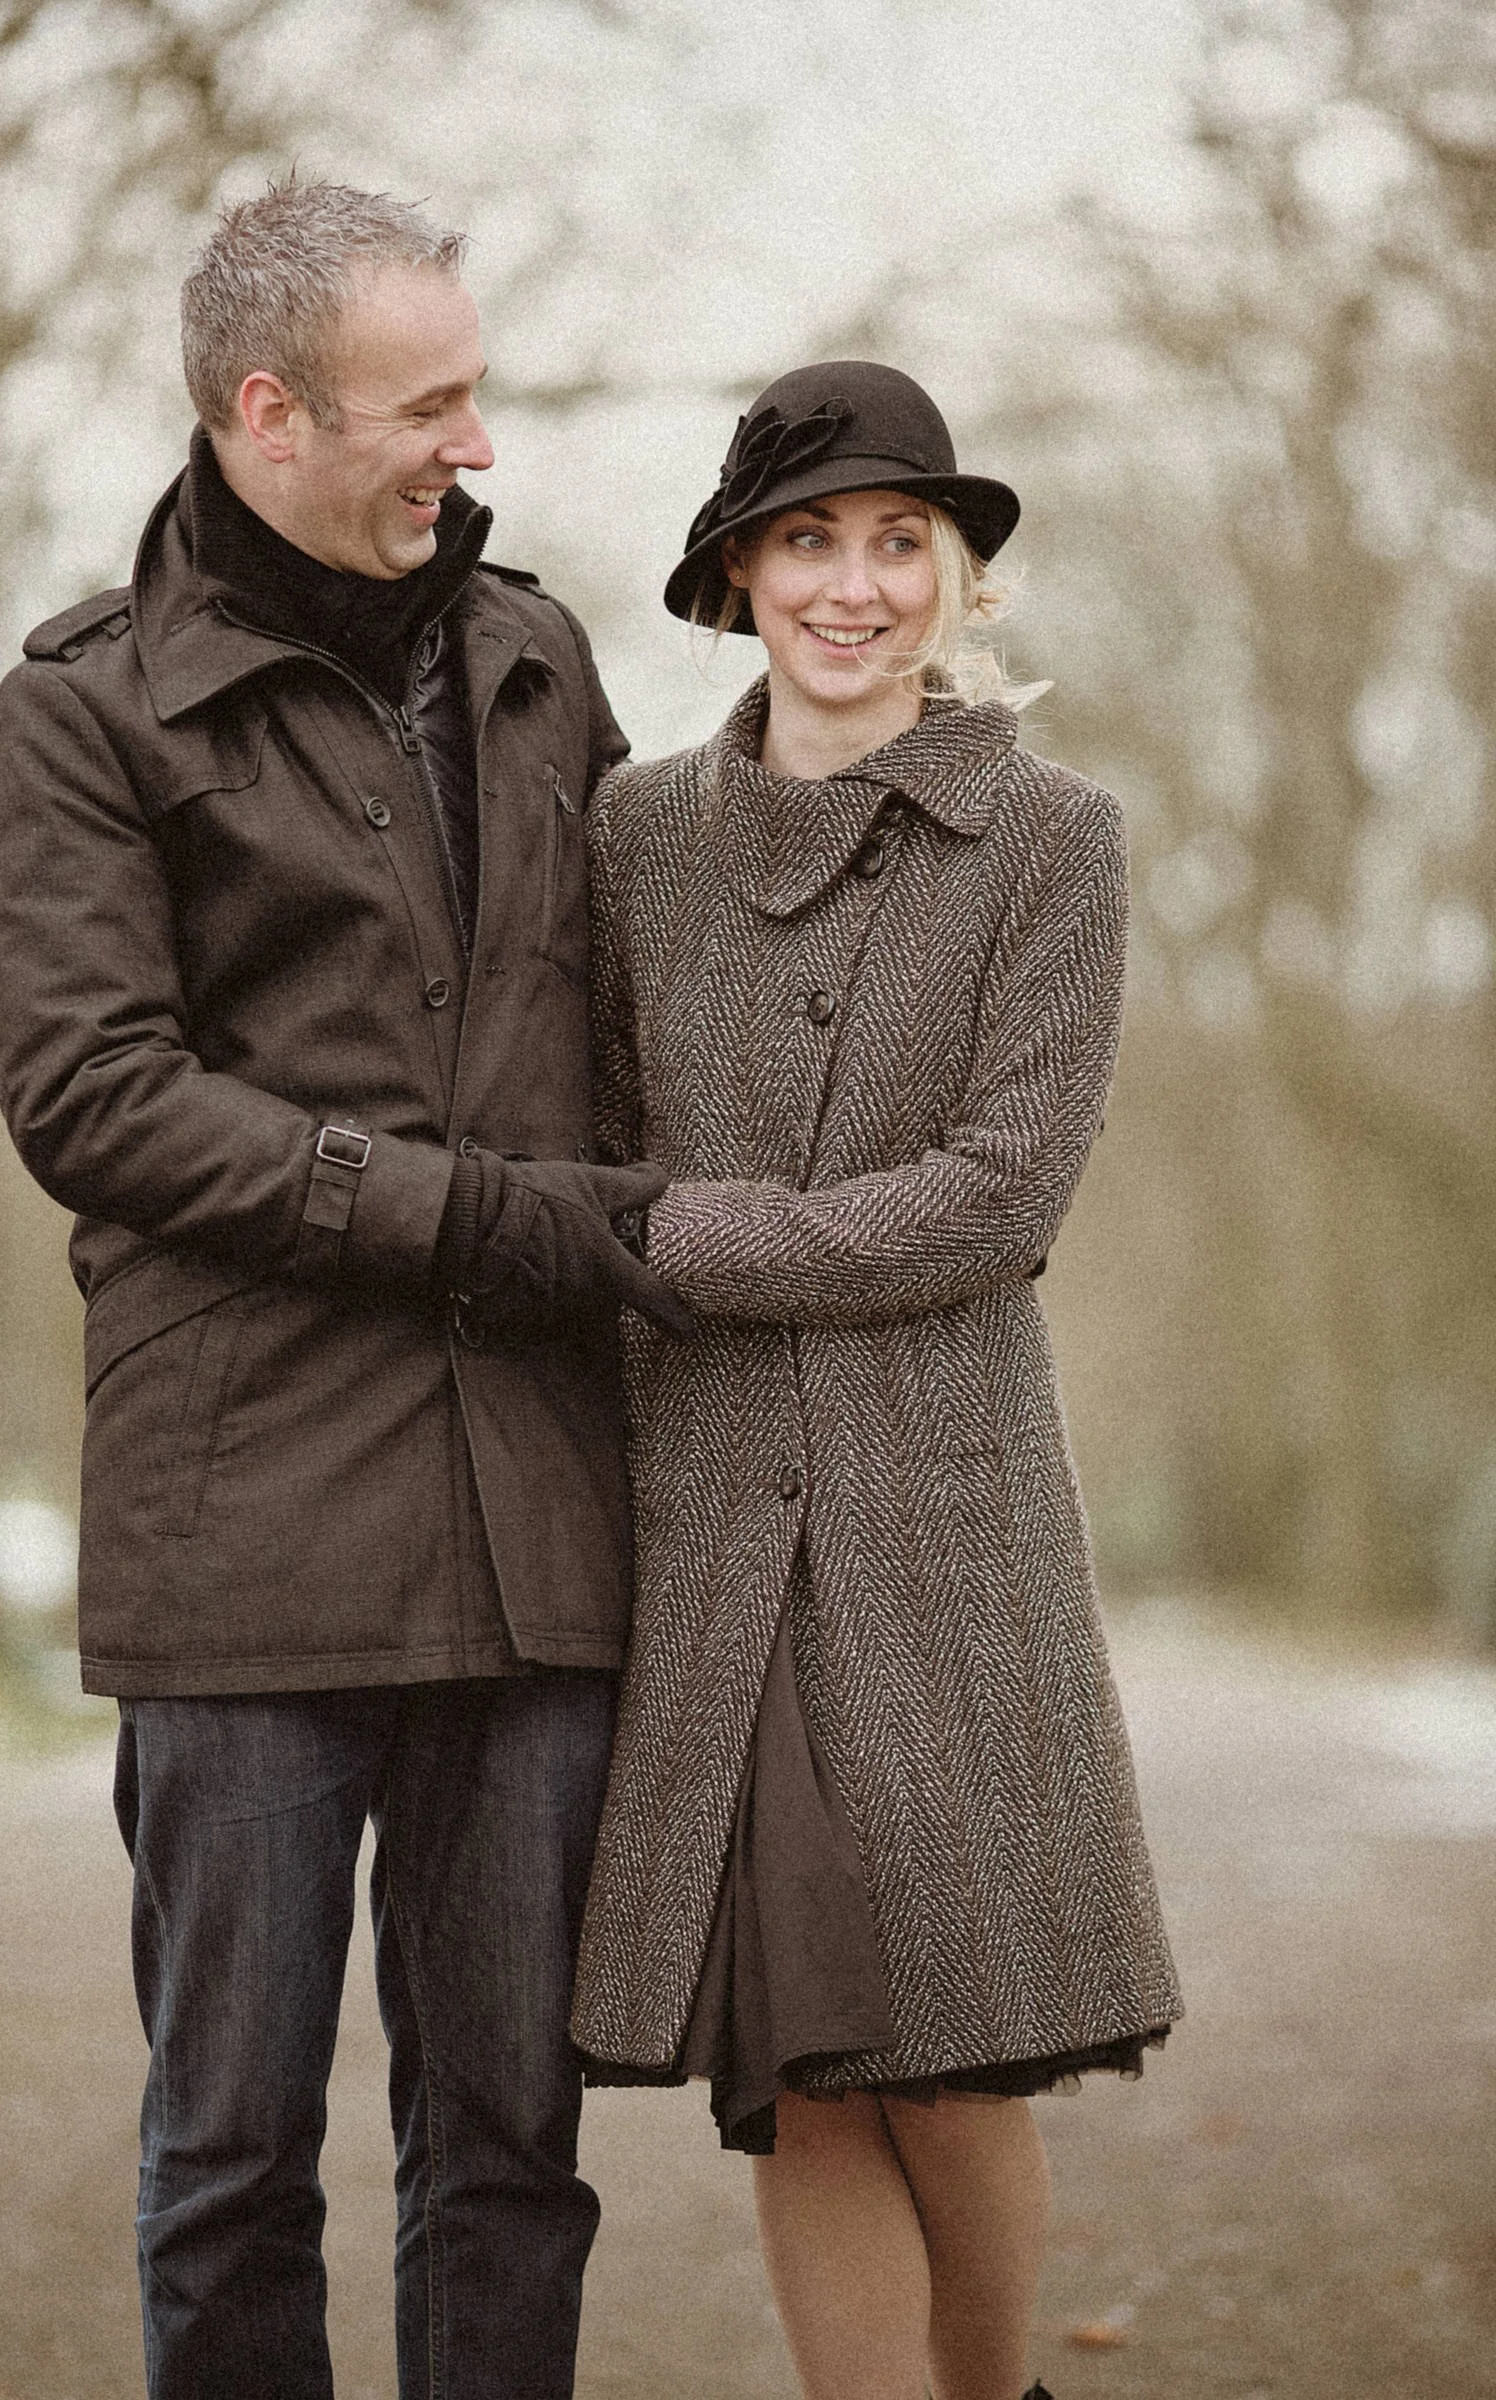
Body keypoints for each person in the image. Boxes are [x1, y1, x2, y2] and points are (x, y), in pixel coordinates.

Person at [0, 178, 690, 2400]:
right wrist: (461, 1217)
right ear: (266, 411)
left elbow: (644, 1031)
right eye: (428, 404)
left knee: (509, 2150)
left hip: (534, 1530)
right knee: (229, 2157)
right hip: (245, 1534)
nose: (473, 447)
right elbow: (93, 1096)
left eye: (476, 394)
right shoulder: (79, 711)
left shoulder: (543, 663)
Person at [570, 362, 1183, 2400]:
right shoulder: (632, 833)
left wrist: (671, 1243)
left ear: (960, 583)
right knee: (801, 2067)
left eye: (899, 542)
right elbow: (572, 1129)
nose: (854, 584)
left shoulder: (1050, 839)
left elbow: (996, 1200)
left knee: (942, 2049)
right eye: (809, 540)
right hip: (711, 1524)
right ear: (737, 576)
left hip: (938, 1514)